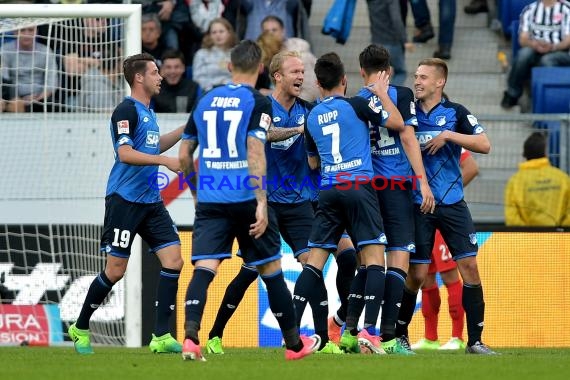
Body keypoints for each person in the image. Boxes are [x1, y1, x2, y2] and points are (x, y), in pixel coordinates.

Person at [178, 40, 320, 361]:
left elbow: (185, 155)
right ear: (260, 69)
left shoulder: (206, 100)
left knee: (204, 268)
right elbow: (255, 149)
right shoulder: (258, 102)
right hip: (245, 195)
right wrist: (260, 201)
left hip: (212, 197)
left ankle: (190, 338)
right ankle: (295, 347)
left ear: (229, 67)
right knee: (271, 270)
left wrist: (197, 193)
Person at [202, 50, 342, 355]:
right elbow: (265, 135)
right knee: (250, 271)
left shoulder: (310, 110)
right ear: (277, 76)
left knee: (313, 267)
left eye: (303, 72)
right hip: (266, 202)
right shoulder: (261, 107)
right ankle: (214, 335)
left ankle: (323, 340)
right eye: (294, 72)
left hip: (300, 203)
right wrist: (299, 131)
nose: (301, 77)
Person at [68, 53, 185, 355]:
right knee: (116, 270)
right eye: (155, 72)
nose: (160, 77)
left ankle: (160, 336)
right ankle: (80, 327)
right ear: (139, 78)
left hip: (151, 201)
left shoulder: (149, 111)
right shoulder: (125, 110)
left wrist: (186, 130)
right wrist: (165, 162)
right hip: (124, 200)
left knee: (174, 260)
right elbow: (125, 153)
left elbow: (153, 145)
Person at [291, 52, 404, 354]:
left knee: (314, 263)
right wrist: (380, 93)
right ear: (344, 80)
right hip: (359, 187)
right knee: (375, 260)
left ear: (317, 83)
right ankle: (369, 331)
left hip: (328, 190)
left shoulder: (311, 116)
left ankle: (292, 338)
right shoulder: (356, 103)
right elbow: (397, 122)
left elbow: (313, 163)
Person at [394, 58, 496, 355]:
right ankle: (399, 336)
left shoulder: (455, 113)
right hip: (419, 204)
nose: (417, 81)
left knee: (470, 268)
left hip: (452, 204)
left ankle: (474, 341)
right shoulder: (407, 112)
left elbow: (485, 145)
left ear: (440, 82)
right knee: (417, 274)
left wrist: (449, 135)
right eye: (416, 76)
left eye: (424, 77)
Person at [346, 44, 434, 355]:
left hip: (367, 187)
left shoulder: (355, 101)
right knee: (399, 258)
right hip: (396, 185)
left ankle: (349, 330)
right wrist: (423, 183)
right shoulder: (402, 94)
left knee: (369, 261)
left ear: (361, 71)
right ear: (390, 70)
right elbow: (408, 136)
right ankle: (388, 337)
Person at [412, 149, 479, 351]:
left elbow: (472, 168)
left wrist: (445, 195)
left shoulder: (446, 135)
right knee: (425, 277)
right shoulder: (413, 135)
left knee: (450, 276)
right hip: (421, 215)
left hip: (442, 216)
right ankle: (430, 337)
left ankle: (457, 337)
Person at [500, 0, 570, 109]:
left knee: (547, 60)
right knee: (523, 54)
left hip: (561, 52)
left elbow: (568, 40)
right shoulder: (530, 9)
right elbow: (522, 39)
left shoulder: (566, 8)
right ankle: (512, 94)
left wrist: (553, 47)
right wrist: (535, 45)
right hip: (536, 50)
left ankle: (547, 104)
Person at [505, 132, 570, 226]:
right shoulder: (562, 178)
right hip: (559, 238)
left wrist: (528, 235)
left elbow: (512, 218)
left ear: (525, 154)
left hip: (528, 239)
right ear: (545, 153)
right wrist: (561, 231)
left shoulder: (515, 181)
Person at [0, 25, 58, 112]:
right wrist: (15, 98)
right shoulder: (5, 50)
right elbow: (4, 79)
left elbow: (51, 82)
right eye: (22, 30)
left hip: (40, 99)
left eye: (31, 30)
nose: (27, 34)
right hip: (13, 99)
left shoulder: (46, 51)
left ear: (36, 32)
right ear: (15, 32)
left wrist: (39, 97)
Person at [366, 0, 412, 86]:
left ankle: (378, 95)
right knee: (400, 72)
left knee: (378, 73)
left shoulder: (371, 2)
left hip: (376, 42)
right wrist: (405, 40)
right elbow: (396, 19)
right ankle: (390, 95)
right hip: (392, 42)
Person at [191, 18, 238, 92]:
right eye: (214, 32)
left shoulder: (236, 54)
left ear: (229, 33)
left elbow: (240, 76)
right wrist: (211, 89)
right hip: (209, 92)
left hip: (232, 92)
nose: (218, 35)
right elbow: (198, 77)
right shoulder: (201, 54)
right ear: (209, 35)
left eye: (221, 31)